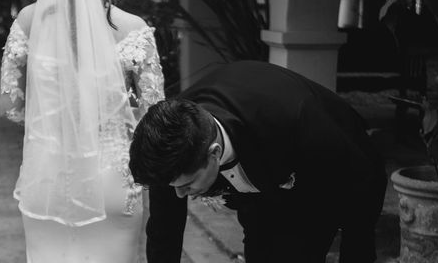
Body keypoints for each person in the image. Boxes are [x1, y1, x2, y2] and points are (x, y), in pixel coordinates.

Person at [0, 0, 165, 263]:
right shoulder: (134, 28)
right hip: (112, 178)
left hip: (47, 178)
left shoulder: (29, 20)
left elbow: (10, 106)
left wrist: (53, 118)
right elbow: (156, 120)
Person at [130, 60, 387, 263]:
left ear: (214, 152)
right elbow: (164, 231)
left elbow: (362, 181)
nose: (179, 194)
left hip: (318, 182)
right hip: (257, 190)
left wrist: (357, 253)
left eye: (187, 185)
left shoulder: (298, 122)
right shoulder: (172, 141)